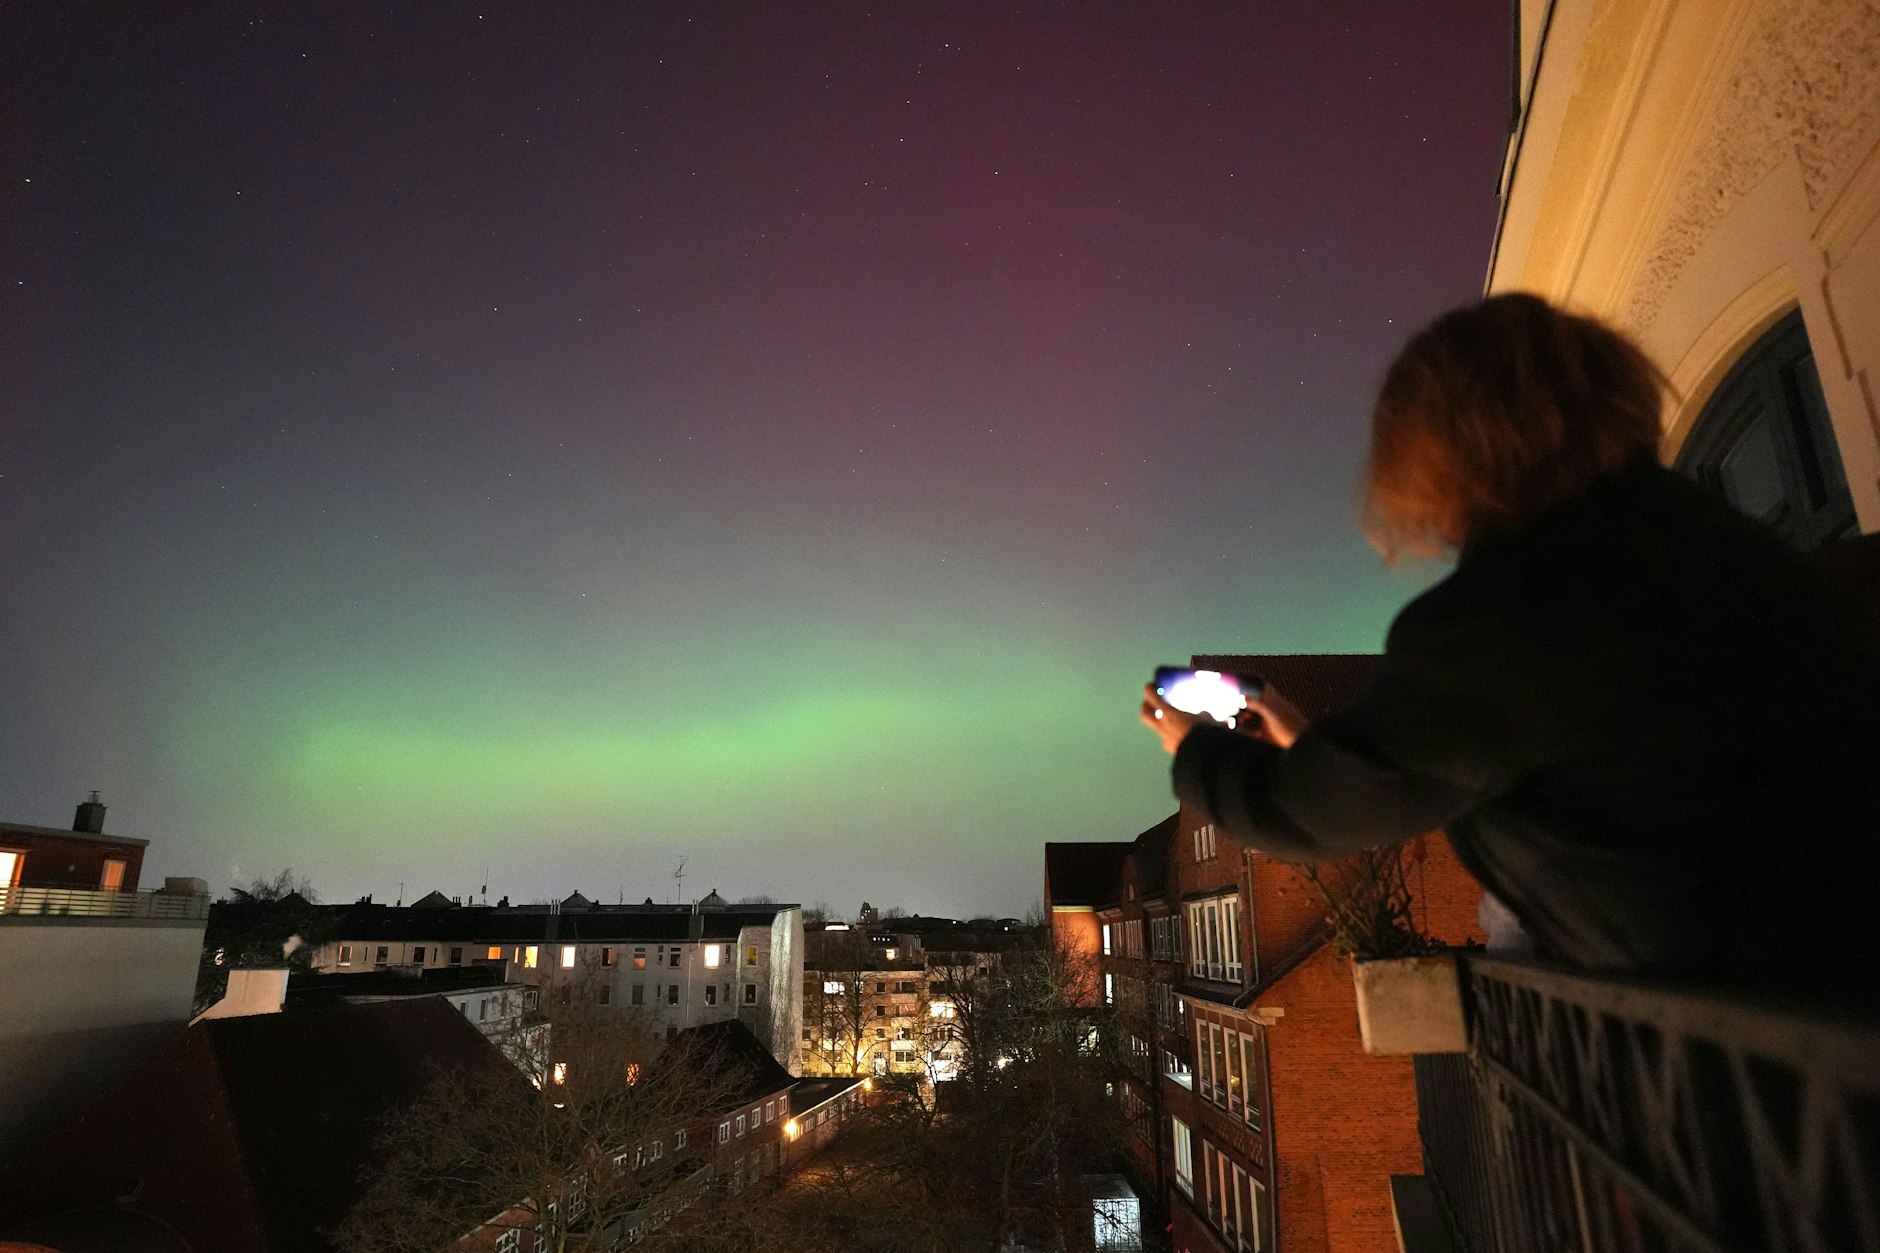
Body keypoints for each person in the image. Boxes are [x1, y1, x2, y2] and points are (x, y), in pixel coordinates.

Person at [1141, 293, 1880, 1000]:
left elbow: (1303, 815)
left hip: (1757, 1051)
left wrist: (1198, 752)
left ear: (1438, 453)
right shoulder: (1717, 546)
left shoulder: (1502, 619)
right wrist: (1320, 745)